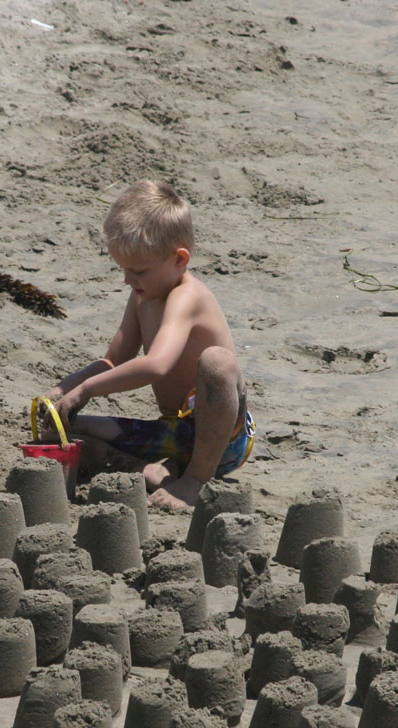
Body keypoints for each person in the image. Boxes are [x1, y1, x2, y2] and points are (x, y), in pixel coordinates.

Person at [47, 180, 254, 510]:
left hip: (218, 440)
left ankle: (193, 480)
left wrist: (85, 390)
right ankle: (151, 471)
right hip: (172, 432)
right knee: (63, 428)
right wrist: (62, 392)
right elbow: (114, 362)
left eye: (138, 271)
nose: (128, 280)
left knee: (217, 362)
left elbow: (157, 364)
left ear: (179, 259)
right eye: (123, 269)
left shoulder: (187, 297)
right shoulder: (142, 296)